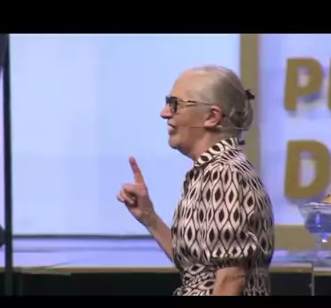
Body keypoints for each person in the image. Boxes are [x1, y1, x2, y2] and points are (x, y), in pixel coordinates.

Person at [117, 65, 275, 296]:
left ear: (211, 117)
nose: (164, 113)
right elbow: (197, 270)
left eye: (175, 104)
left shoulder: (225, 174)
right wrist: (149, 217)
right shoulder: (209, 171)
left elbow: (231, 279)